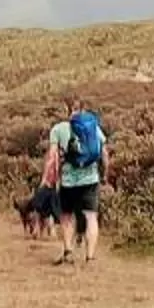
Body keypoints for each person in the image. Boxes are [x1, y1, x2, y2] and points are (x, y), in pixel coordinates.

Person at [44, 98, 108, 265]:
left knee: (66, 216)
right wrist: (104, 173)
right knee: (91, 217)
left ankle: (68, 252)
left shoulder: (58, 129)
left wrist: (51, 177)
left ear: (67, 110)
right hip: (91, 179)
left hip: (68, 181)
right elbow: (104, 153)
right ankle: (90, 256)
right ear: (82, 110)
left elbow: (52, 156)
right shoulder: (93, 127)